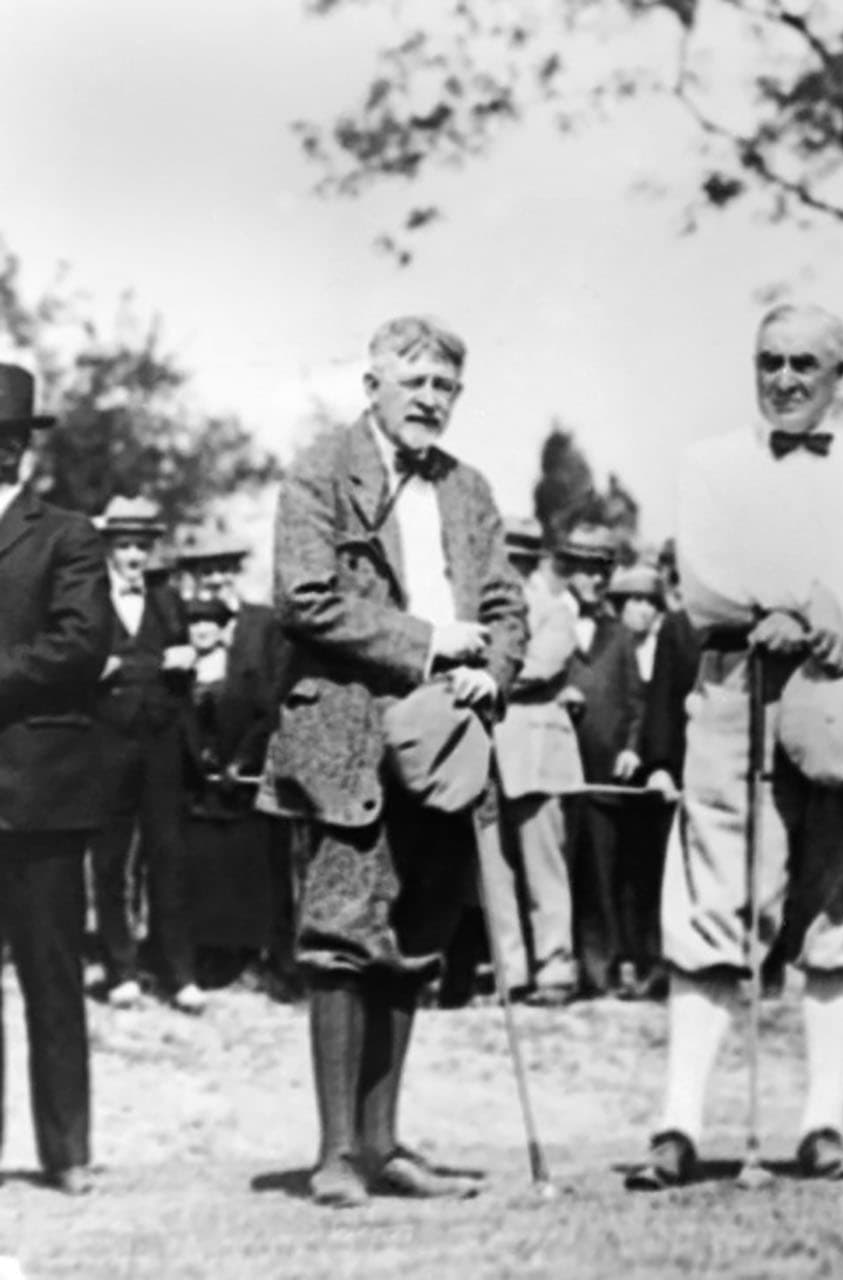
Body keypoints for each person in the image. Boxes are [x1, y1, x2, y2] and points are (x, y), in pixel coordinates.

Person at [625, 304, 843, 1189]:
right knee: (716, 896)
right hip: (740, 696)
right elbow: (708, 586)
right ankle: (679, 1126)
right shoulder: (711, 464)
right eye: (770, 361)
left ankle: (824, 1124)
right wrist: (813, 601)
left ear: (841, 375)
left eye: (807, 363)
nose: (787, 378)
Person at [257, 316, 527, 1208]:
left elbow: (506, 605)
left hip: (447, 736)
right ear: (370, 384)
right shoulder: (319, 472)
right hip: (347, 733)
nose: (430, 401)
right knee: (341, 934)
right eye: (413, 382)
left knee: (417, 934)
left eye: (445, 387)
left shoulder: (471, 490)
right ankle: (337, 1152)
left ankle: (384, 1145)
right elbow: (301, 598)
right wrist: (427, 641)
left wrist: (492, 671)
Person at [0, 361, 113, 1194]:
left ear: (24, 449)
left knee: (52, 978)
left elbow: (81, 645)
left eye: (7, 438)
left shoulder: (68, 534)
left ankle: (67, 1151)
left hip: (41, 788)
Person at [88, 495, 202, 1013]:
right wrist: (87, 669)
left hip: (160, 743)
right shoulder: (86, 596)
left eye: (141, 546)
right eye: (124, 545)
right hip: (106, 743)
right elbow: (65, 658)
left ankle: (177, 974)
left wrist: (187, 657)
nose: (134, 556)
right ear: (108, 547)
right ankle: (120, 970)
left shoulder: (167, 599)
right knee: (111, 860)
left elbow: (187, 654)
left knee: (169, 858)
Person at [173, 531, 294, 992]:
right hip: (203, 763)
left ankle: (274, 957)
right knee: (211, 861)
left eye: (223, 569)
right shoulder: (185, 623)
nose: (215, 579)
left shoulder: (263, 623)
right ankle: (217, 955)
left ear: (236, 572)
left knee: (266, 863)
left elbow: (278, 691)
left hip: (255, 759)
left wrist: (253, 752)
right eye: (206, 571)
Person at [480, 516, 585, 1007]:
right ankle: (511, 970)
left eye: (519, 559)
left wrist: (482, 675)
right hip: (482, 750)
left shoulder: (553, 613)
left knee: (544, 862)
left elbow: (540, 667)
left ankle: (556, 966)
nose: (509, 568)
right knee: (492, 866)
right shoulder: (477, 613)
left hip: (536, 751)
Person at [557, 523, 645, 997]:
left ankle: (604, 972)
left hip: (607, 776)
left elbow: (636, 702)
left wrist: (632, 747)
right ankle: (562, 969)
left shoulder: (620, 635)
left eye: (600, 571)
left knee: (607, 876)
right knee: (563, 872)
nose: (592, 579)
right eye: (585, 569)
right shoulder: (548, 622)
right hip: (558, 770)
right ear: (568, 570)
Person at [608, 562, 687, 999]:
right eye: (630, 601)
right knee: (629, 870)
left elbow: (662, 710)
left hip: (663, 775)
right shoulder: (615, 646)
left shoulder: (668, 642)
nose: (638, 610)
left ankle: (661, 958)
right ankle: (633, 957)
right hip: (624, 781)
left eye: (646, 602)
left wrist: (661, 762)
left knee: (661, 869)